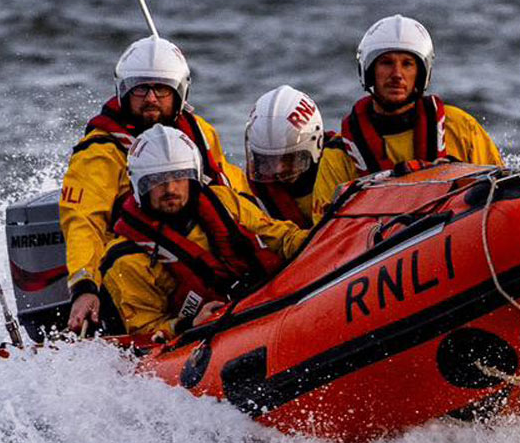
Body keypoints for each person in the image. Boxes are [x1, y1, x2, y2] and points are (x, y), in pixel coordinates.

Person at [62, 36, 248, 333]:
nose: (150, 98)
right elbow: (83, 221)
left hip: (211, 258)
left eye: (161, 88)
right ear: (124, 91)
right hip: (144, 275)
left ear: (179, 91)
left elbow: (233, 192)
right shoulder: (100, 153)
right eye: (140, 88)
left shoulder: (201, 133)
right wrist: (85, 286)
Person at [100, 125, 309, 341]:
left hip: (261, 303)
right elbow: (146, 334)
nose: (170, 189)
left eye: (179, 175)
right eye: (157, 180)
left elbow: (282, 238)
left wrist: (325, 236)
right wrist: (191, 323)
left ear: (194, 176)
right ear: (139, 185)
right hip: (204, 341)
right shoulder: (128, 259)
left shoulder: (223, 202)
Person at [340, 15, 502, 173]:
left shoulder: (460, 128)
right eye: (387, 63)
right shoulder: (341, 153)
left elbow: (504, 185)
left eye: (407, 64)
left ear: (421, 74)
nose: (397, 74)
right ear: (369, 72)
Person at [243, 85, 358, 226]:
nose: (278, 169)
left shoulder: (348, 162)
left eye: (288, 158)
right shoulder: (255, 190)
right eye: (268, 160)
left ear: (315, 146)